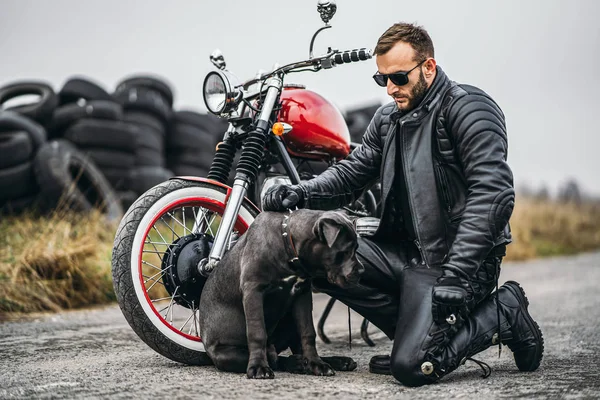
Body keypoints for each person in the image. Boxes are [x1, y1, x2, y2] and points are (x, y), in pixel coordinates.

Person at [262, 22, 544, 386]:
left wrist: (458, 273)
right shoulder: (387, 120)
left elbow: (494, 194)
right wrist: (302, 192)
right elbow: (351, 173)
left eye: (398, 77)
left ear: (428, 67)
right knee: (314, 249)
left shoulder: (468, 109)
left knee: (411, 367)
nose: (391, 88)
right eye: (382, 80)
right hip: (405, 255)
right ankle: (420, 332)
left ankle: (504, 312)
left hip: (457, 263)